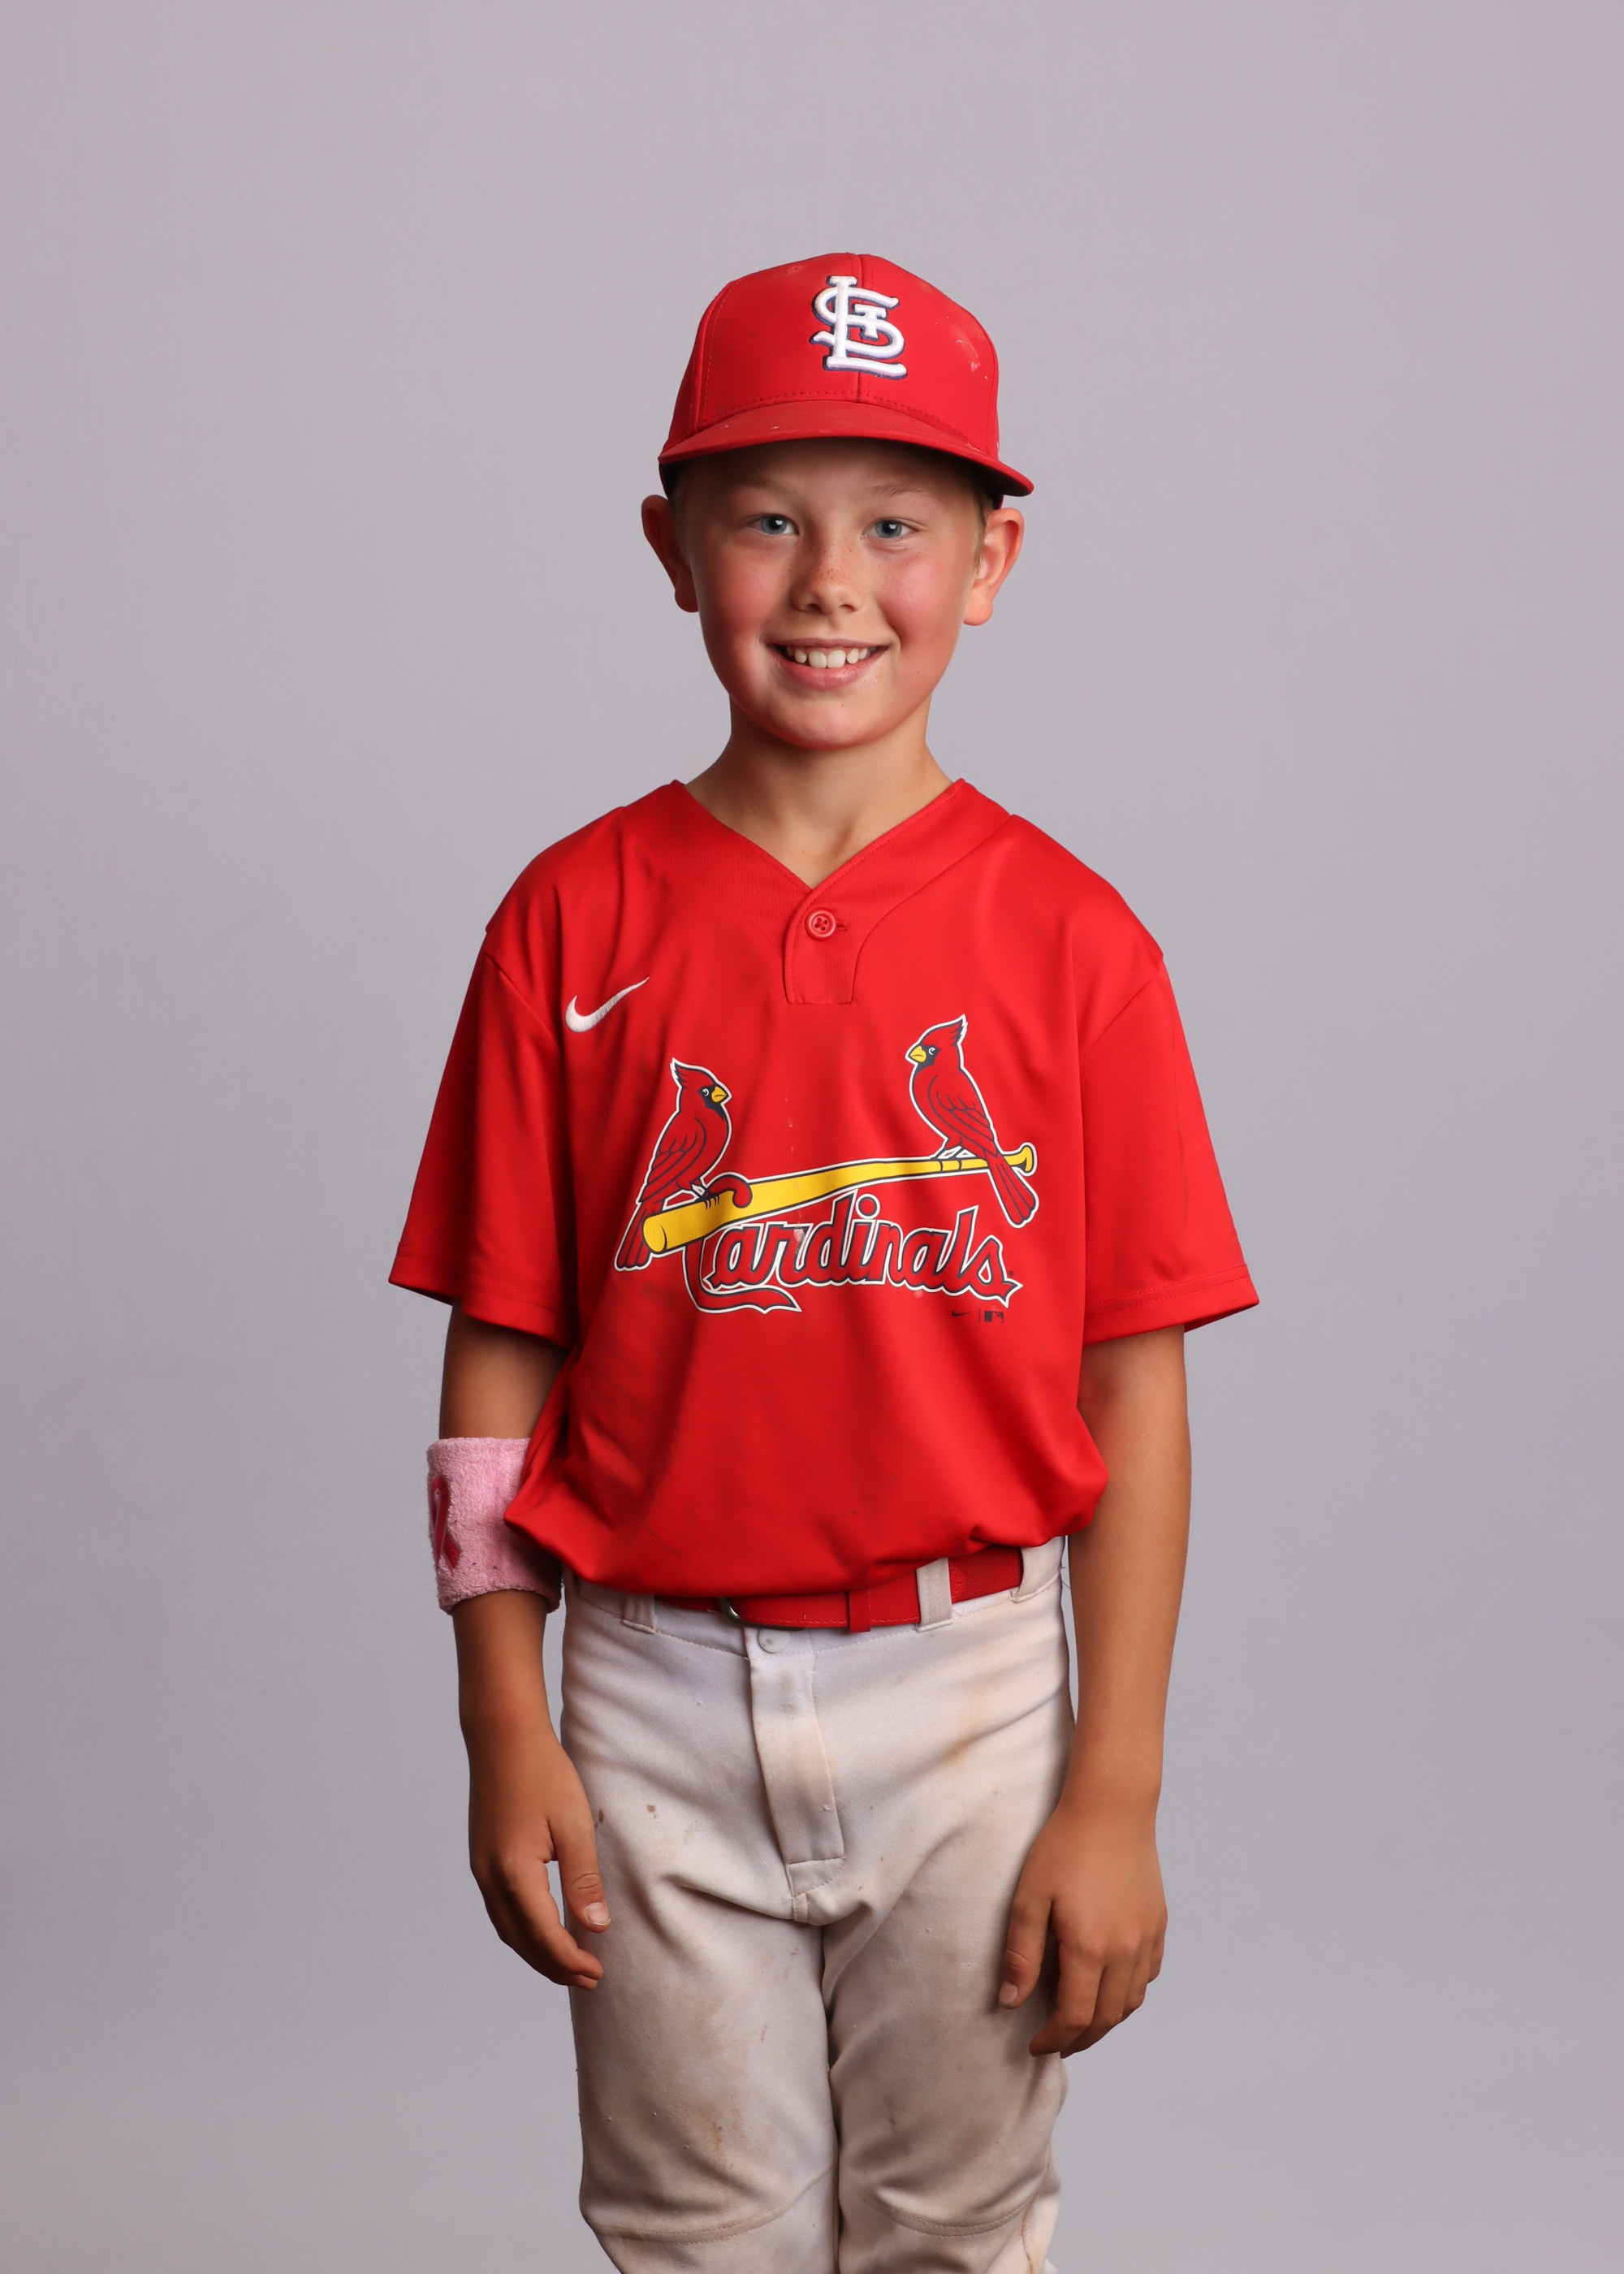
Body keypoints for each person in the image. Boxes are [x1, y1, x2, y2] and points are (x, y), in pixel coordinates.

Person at [391, 253, 1257, 2274]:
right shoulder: (570, 918)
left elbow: (1133, 1386)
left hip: (973, 1685)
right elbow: (502, 1352)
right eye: (767, 518)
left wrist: (1118, 1779)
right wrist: (502, 1714)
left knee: (956, 2227)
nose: (829, 582)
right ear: (671, 547)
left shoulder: (1074, 942)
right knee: (693, 2230)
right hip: (648, 1687)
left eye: (896, 525)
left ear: (992, 559)